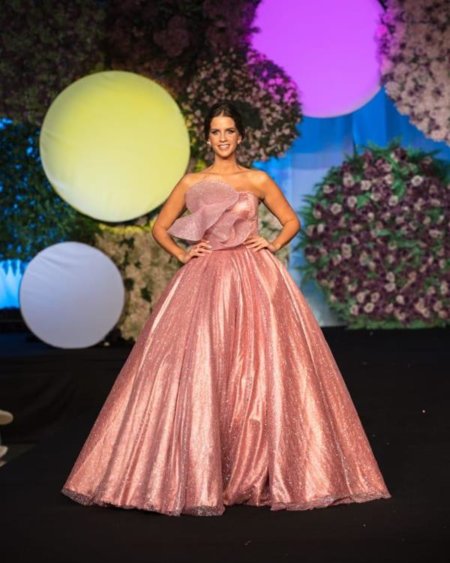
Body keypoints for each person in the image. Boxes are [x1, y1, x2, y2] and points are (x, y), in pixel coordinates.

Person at [62, 101, 391, 516]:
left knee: (260, 366)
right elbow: (160, 228)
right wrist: (183, 254)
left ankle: (265, 467)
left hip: (255, 277)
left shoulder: (257, 179)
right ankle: (199, 471)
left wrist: (271, 244)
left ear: (240, 136)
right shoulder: (192, 181)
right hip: (205, 279)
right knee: (204, 364)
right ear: (207, 137)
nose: (223, 138)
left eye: (229, 131)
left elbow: (291, 221)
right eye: (216, 131)